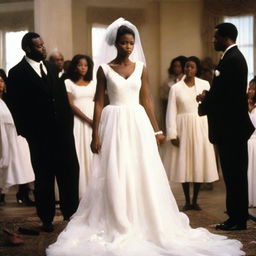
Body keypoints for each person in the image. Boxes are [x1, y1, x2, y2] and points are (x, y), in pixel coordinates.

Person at [46, 18, 244, 256]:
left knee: (141, 169)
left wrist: (157, 129)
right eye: (124, 43)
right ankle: (118, 216)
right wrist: (95, 134)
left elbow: (147, 100)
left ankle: (143, 216)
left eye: (131, 43)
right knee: (116, 169)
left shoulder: (141, 67)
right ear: (115, 44)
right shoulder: (104, 69)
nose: (128, 47)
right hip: (114, 122)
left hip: (137, 122)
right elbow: (99, 102)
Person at [6, 32, 79, 232]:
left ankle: (70, 214)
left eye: (43, 45)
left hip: (63, 133)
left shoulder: (52, 67)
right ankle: (46, 219)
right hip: (39, 136)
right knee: (44, 177)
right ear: (28, 49)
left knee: (69, 174)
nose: (43, 48)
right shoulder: (17, 72)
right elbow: (15, 105)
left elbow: (61, 99)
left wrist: (68, 125)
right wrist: (27, 132)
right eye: (39, 46)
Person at [197, 23, 254, 231]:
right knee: (232, 174)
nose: (214, 41)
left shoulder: (233, 59)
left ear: (226, 38)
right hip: (230, 127)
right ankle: (235, 216)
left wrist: (205, 103)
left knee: (235, 174)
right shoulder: (230, 58)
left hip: (232, 128)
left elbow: (227, 96)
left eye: (216, 37)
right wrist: (209, 97)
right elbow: (223, 91)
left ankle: (238, 219)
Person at [164, 56, 218, 211]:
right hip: (183, 127)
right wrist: (172, 133)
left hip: (201, 126)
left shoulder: (205, 84)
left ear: (197, 69)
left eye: (192, 67)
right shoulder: (176, 88)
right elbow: (171, 111)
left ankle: (195, 200)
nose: (188, 69)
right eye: (186, 66)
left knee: (199, 161)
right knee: (185, 163)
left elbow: (211, 108)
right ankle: (187, 200)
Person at [0, 69, 35, 205]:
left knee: (23, 161)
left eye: (2, 81)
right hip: (2, 136)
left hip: (15, 135)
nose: (0, 84)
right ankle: (2, 193)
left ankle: (24, 192)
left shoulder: (9, 99)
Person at [65, 54, 96, 198]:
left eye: (86, 65)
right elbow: (70, 105)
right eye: (80, 65)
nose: (83, 68)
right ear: (75, 67)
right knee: (79, 152)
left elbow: (98, 103)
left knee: (93, 154)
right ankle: (79, 191)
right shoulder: (68, 83)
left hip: (93, 121)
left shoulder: (94, 83)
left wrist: (95, 120)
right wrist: (87, 119)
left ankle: (94, 189)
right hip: (78, 122)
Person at [160, 56, 187, 120]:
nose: (176, 68)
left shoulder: (186, 79)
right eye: (175, 66)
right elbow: (164, 97)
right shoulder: (168, 81)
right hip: (171, 108)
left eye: (178, 66)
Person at [247, 77, 256, 207]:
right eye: (249, 87)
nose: (250, 90)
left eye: (253, 88)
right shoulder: (244, 103)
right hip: (247, 142)